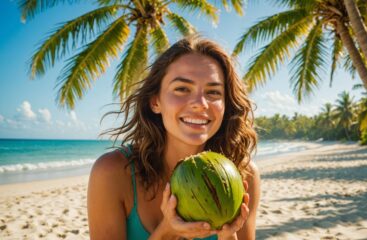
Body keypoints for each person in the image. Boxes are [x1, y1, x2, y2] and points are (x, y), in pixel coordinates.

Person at [87, 35, 261, 240]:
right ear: (155, 101)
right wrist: (167, 231)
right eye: (182, 89)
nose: (200, 103)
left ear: (226, 105)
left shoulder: (243, 174)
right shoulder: (113, 173)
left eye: (213, 92)